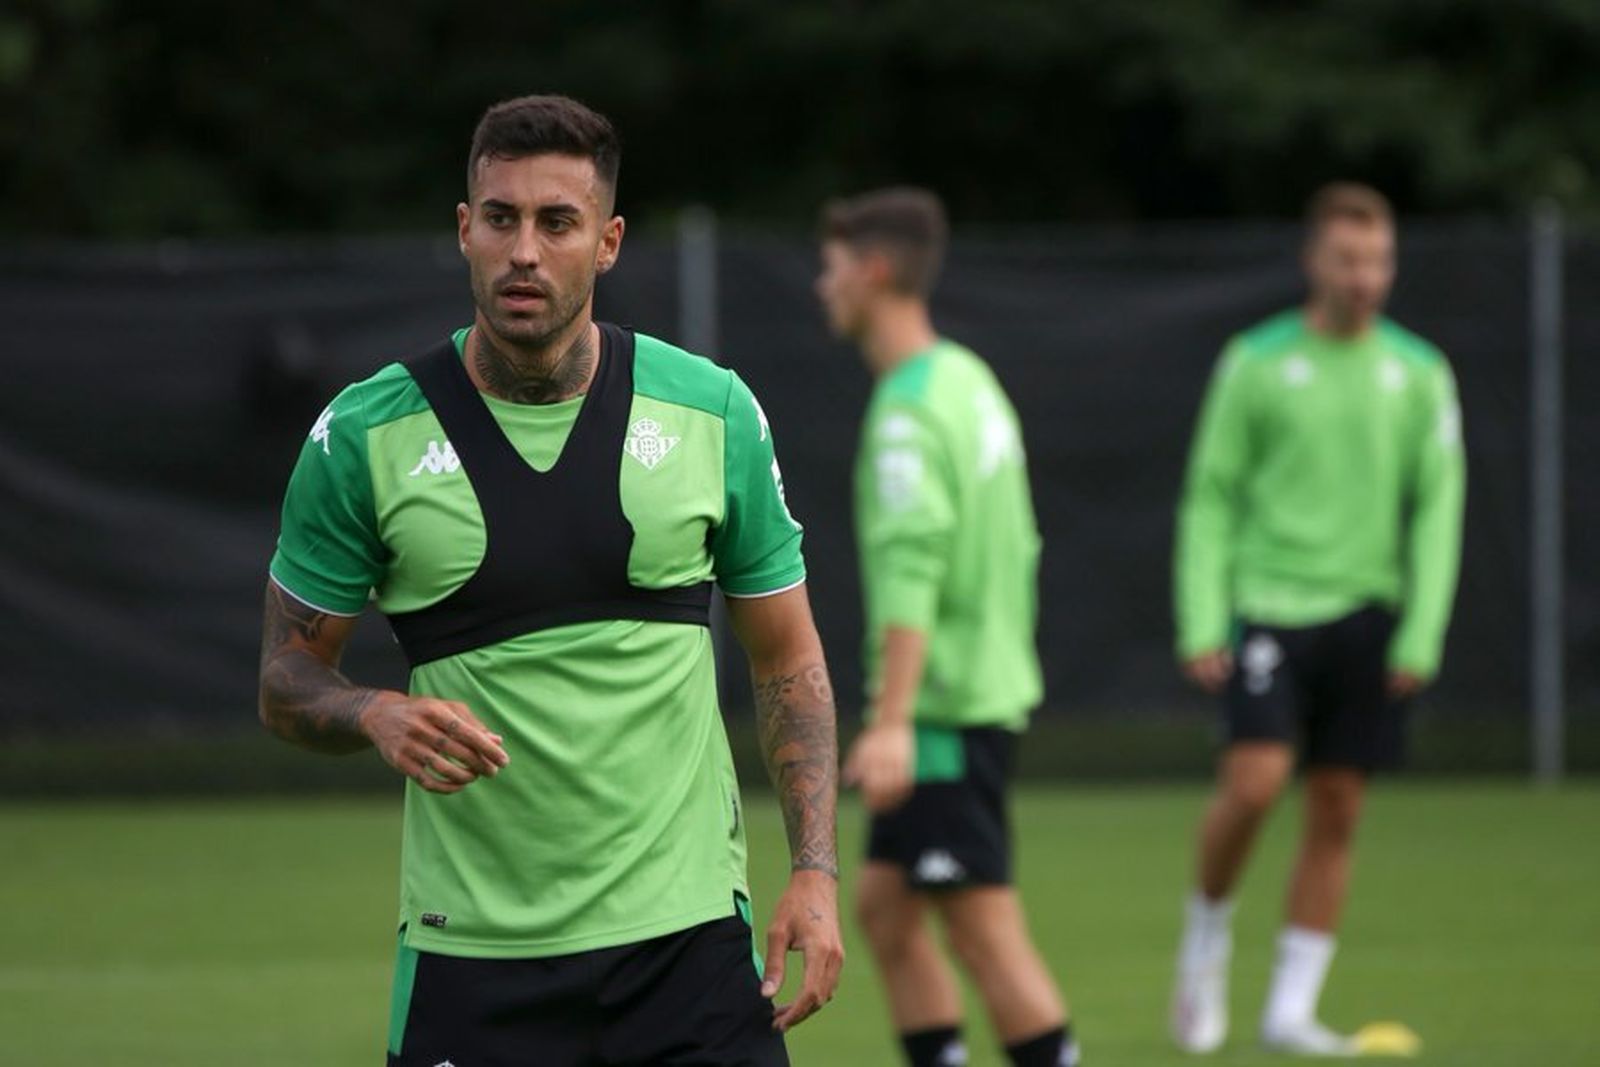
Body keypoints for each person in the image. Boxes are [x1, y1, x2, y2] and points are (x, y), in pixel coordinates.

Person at [258, 94, 843, 1066]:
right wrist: (372, 711)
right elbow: (283, 677)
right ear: (465, 230)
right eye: (501, 218)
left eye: (556, 222)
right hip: (472, 957)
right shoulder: (364, 435)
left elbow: (787, 657)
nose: (524, 249)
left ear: (607, 241)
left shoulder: (712, 411)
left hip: (688, 948)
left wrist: (814, 871)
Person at [1170, 182, 1466, 1055]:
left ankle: (1290, 1009)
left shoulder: (1420, 371)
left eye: (1378, 259)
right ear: (1313, 261)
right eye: (1348, 258)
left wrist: (1422, 630)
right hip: (1269, 606)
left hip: (1368, 613)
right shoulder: (1255, 361)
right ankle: (1206, 934)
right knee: (1256, 782)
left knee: (1337, 805)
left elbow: (1439, 507)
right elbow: (1210, 496)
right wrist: (1201, 618)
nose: (1365, 275)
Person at [816, 187, 1081, 1067]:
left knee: (983, 929)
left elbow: (913, 571)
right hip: (978, 692)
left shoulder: (908, 412)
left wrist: (892, 720)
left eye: (835, 266)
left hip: (940, 715)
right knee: (888, 913)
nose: (824, 284)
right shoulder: (967, 380)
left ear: (877, 271)